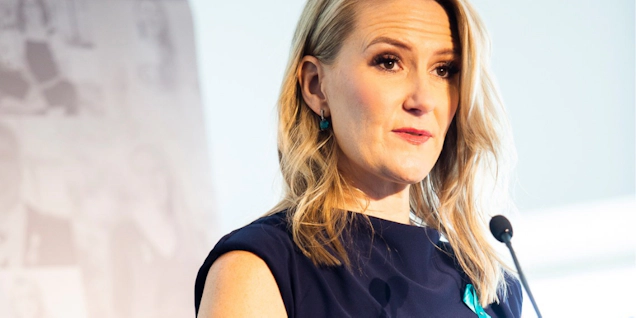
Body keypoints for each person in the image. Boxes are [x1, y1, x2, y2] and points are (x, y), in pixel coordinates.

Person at [195, 0, 522, 317]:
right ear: (316, 85)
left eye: (444, 69)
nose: (423, 100)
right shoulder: (259, 268)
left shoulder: (491, 287)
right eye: (389, 61)